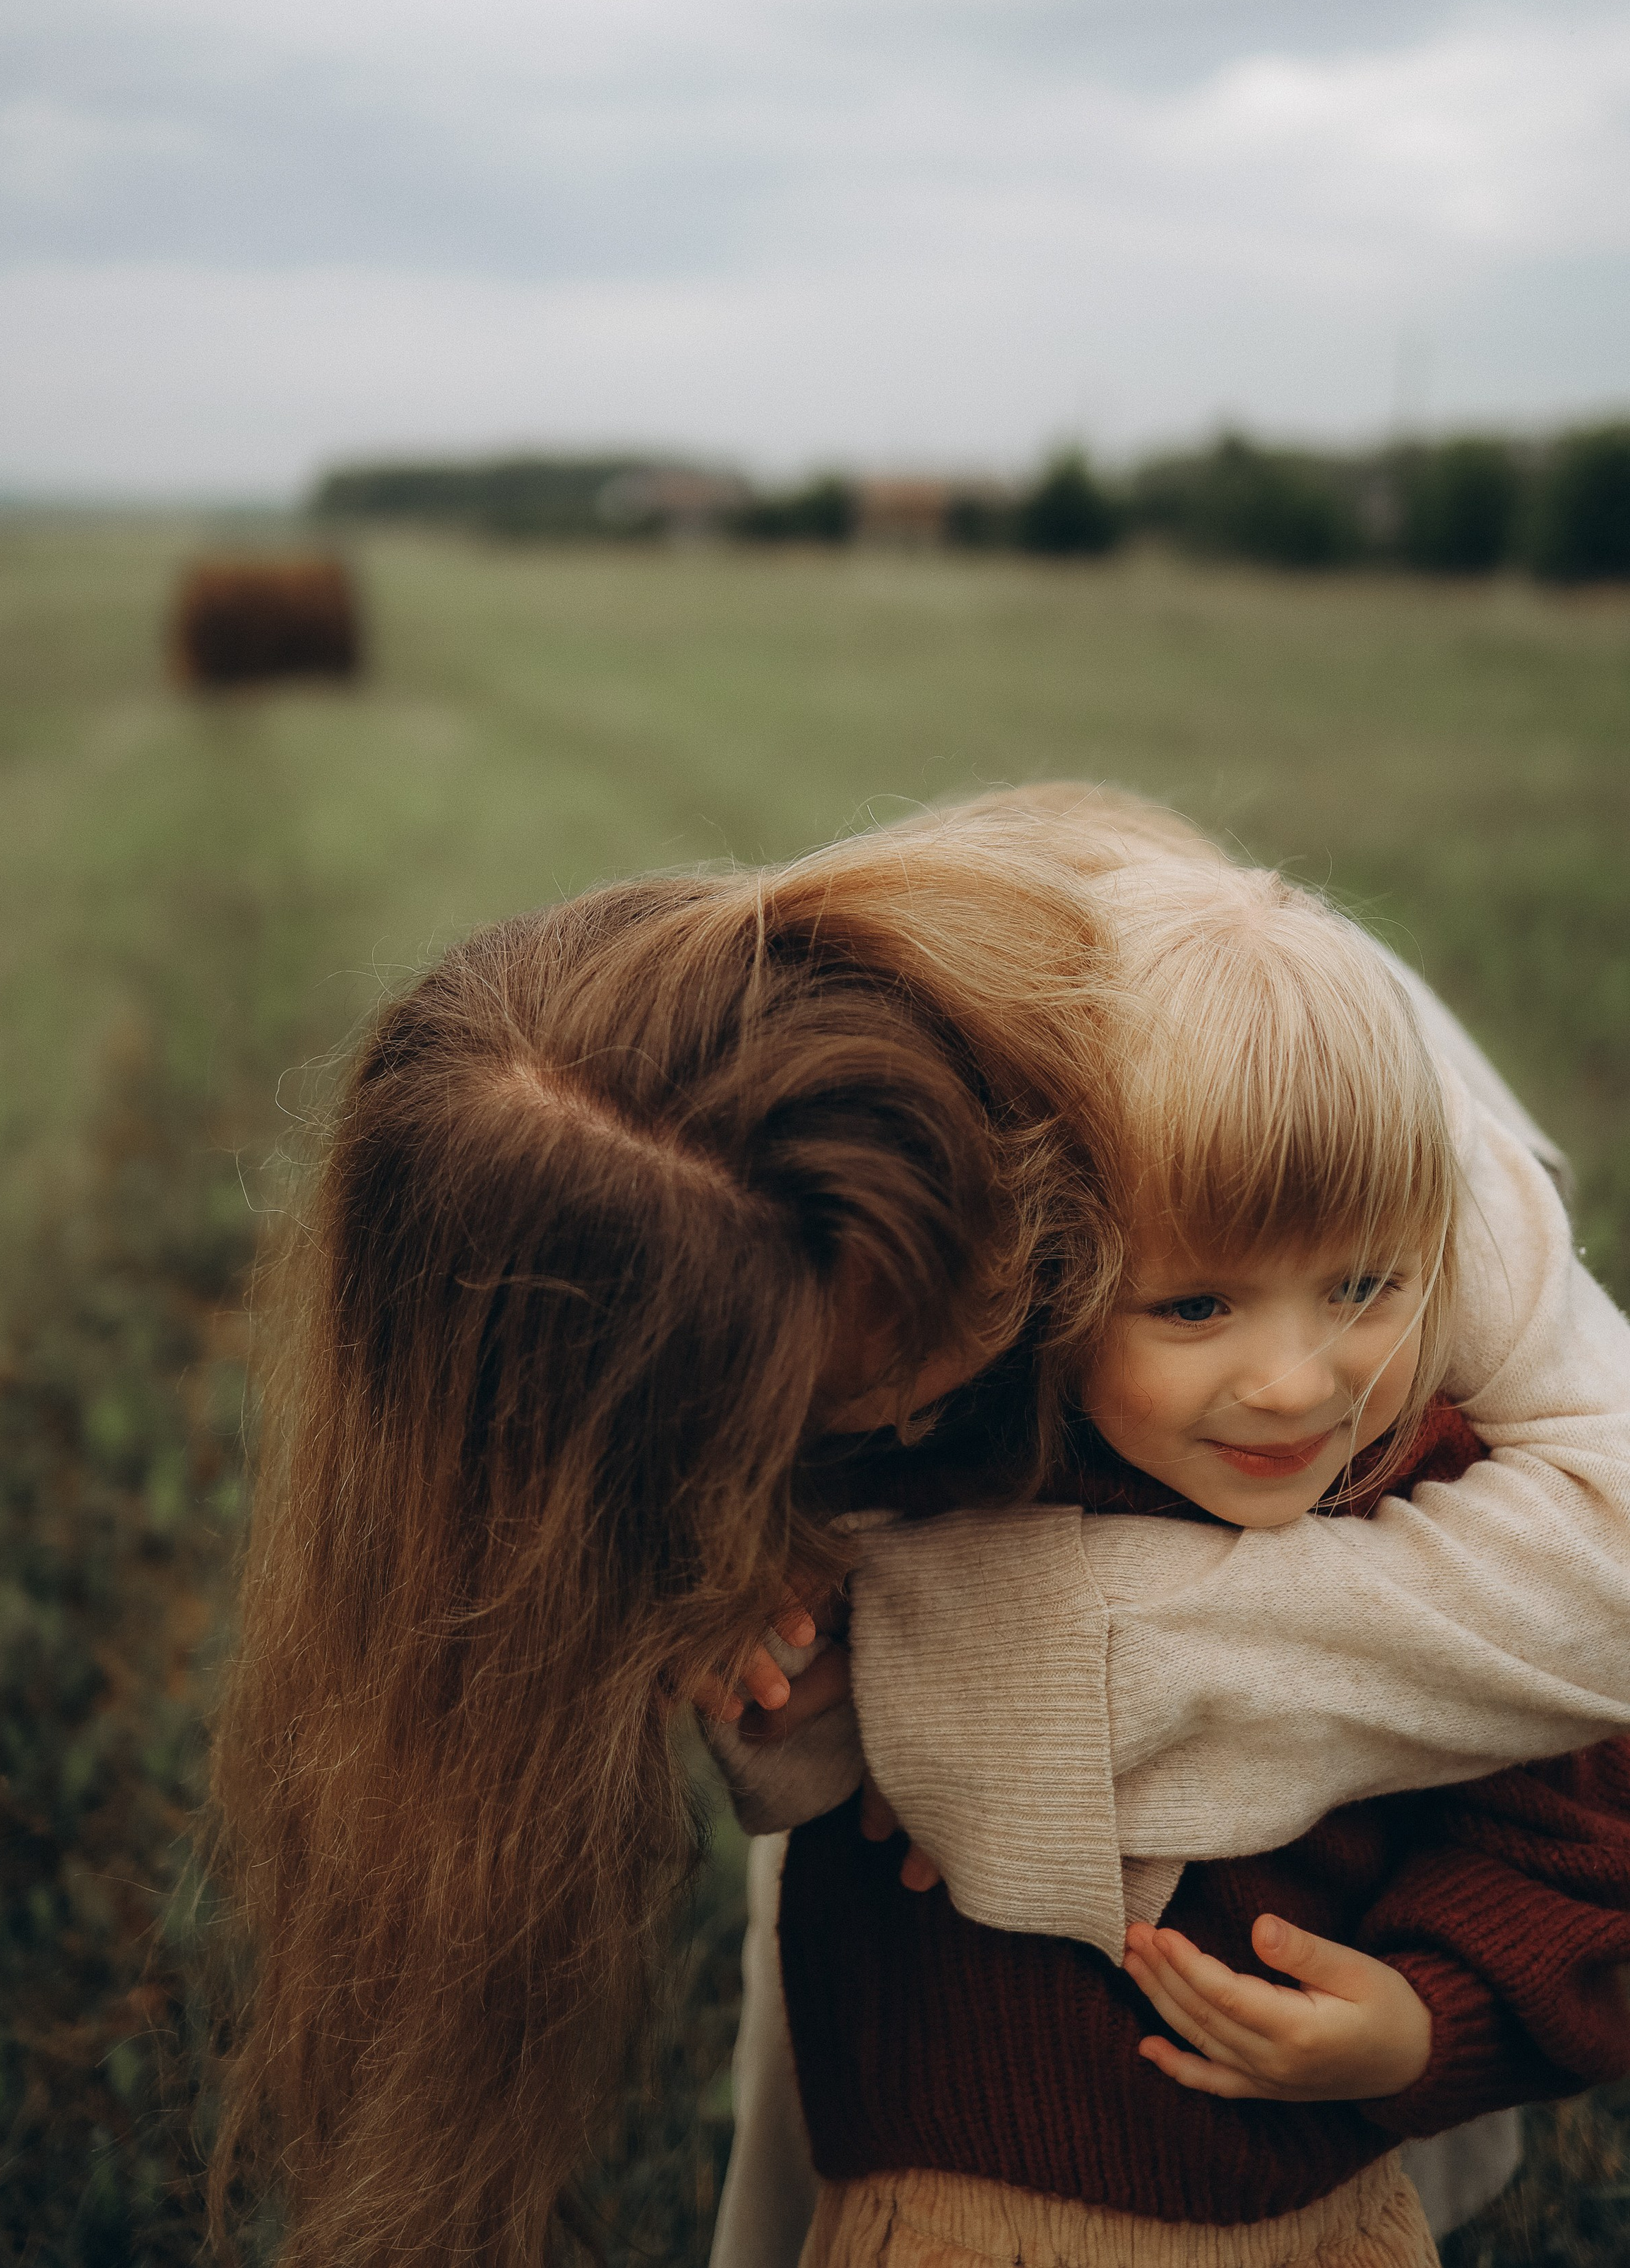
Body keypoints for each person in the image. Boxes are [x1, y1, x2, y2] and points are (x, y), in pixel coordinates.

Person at [206, 790, 1630, 2268]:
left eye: (901, 1371)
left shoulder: (1288, 1138)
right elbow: (833, 1719)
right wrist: (780, 1646)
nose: (900, 1423)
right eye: (826, 1436)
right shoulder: (732, 1370)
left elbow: (1591, 1597)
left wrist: (962, 1661)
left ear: (1020, 1217)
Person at [718, 850, 1630, 2268]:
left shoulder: (1425, 1475)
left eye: (1363, 1285)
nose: (1296, 1383)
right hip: (954, 2214)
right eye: (1194, 1304)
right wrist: (765, 1642)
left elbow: (1563, 1826)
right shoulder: (932, 1465)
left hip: (1311, 2220)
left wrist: (1421, 2024)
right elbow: (790, 1762)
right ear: (1045, 1280)